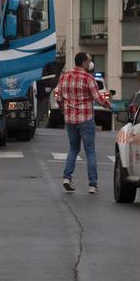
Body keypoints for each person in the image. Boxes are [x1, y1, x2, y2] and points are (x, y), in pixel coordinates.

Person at [55, 52, 107, 194]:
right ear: (84, 62)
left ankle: (67, 177)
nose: (91, 63)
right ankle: (93, 184)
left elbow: (59, 98)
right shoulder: (88, 77)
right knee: (90, 151)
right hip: (85, 119)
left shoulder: (64, 76)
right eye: (89, 61)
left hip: (70, 120)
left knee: (73, 148)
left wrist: (63, 110)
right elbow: (97, 98)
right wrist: (109, 106)